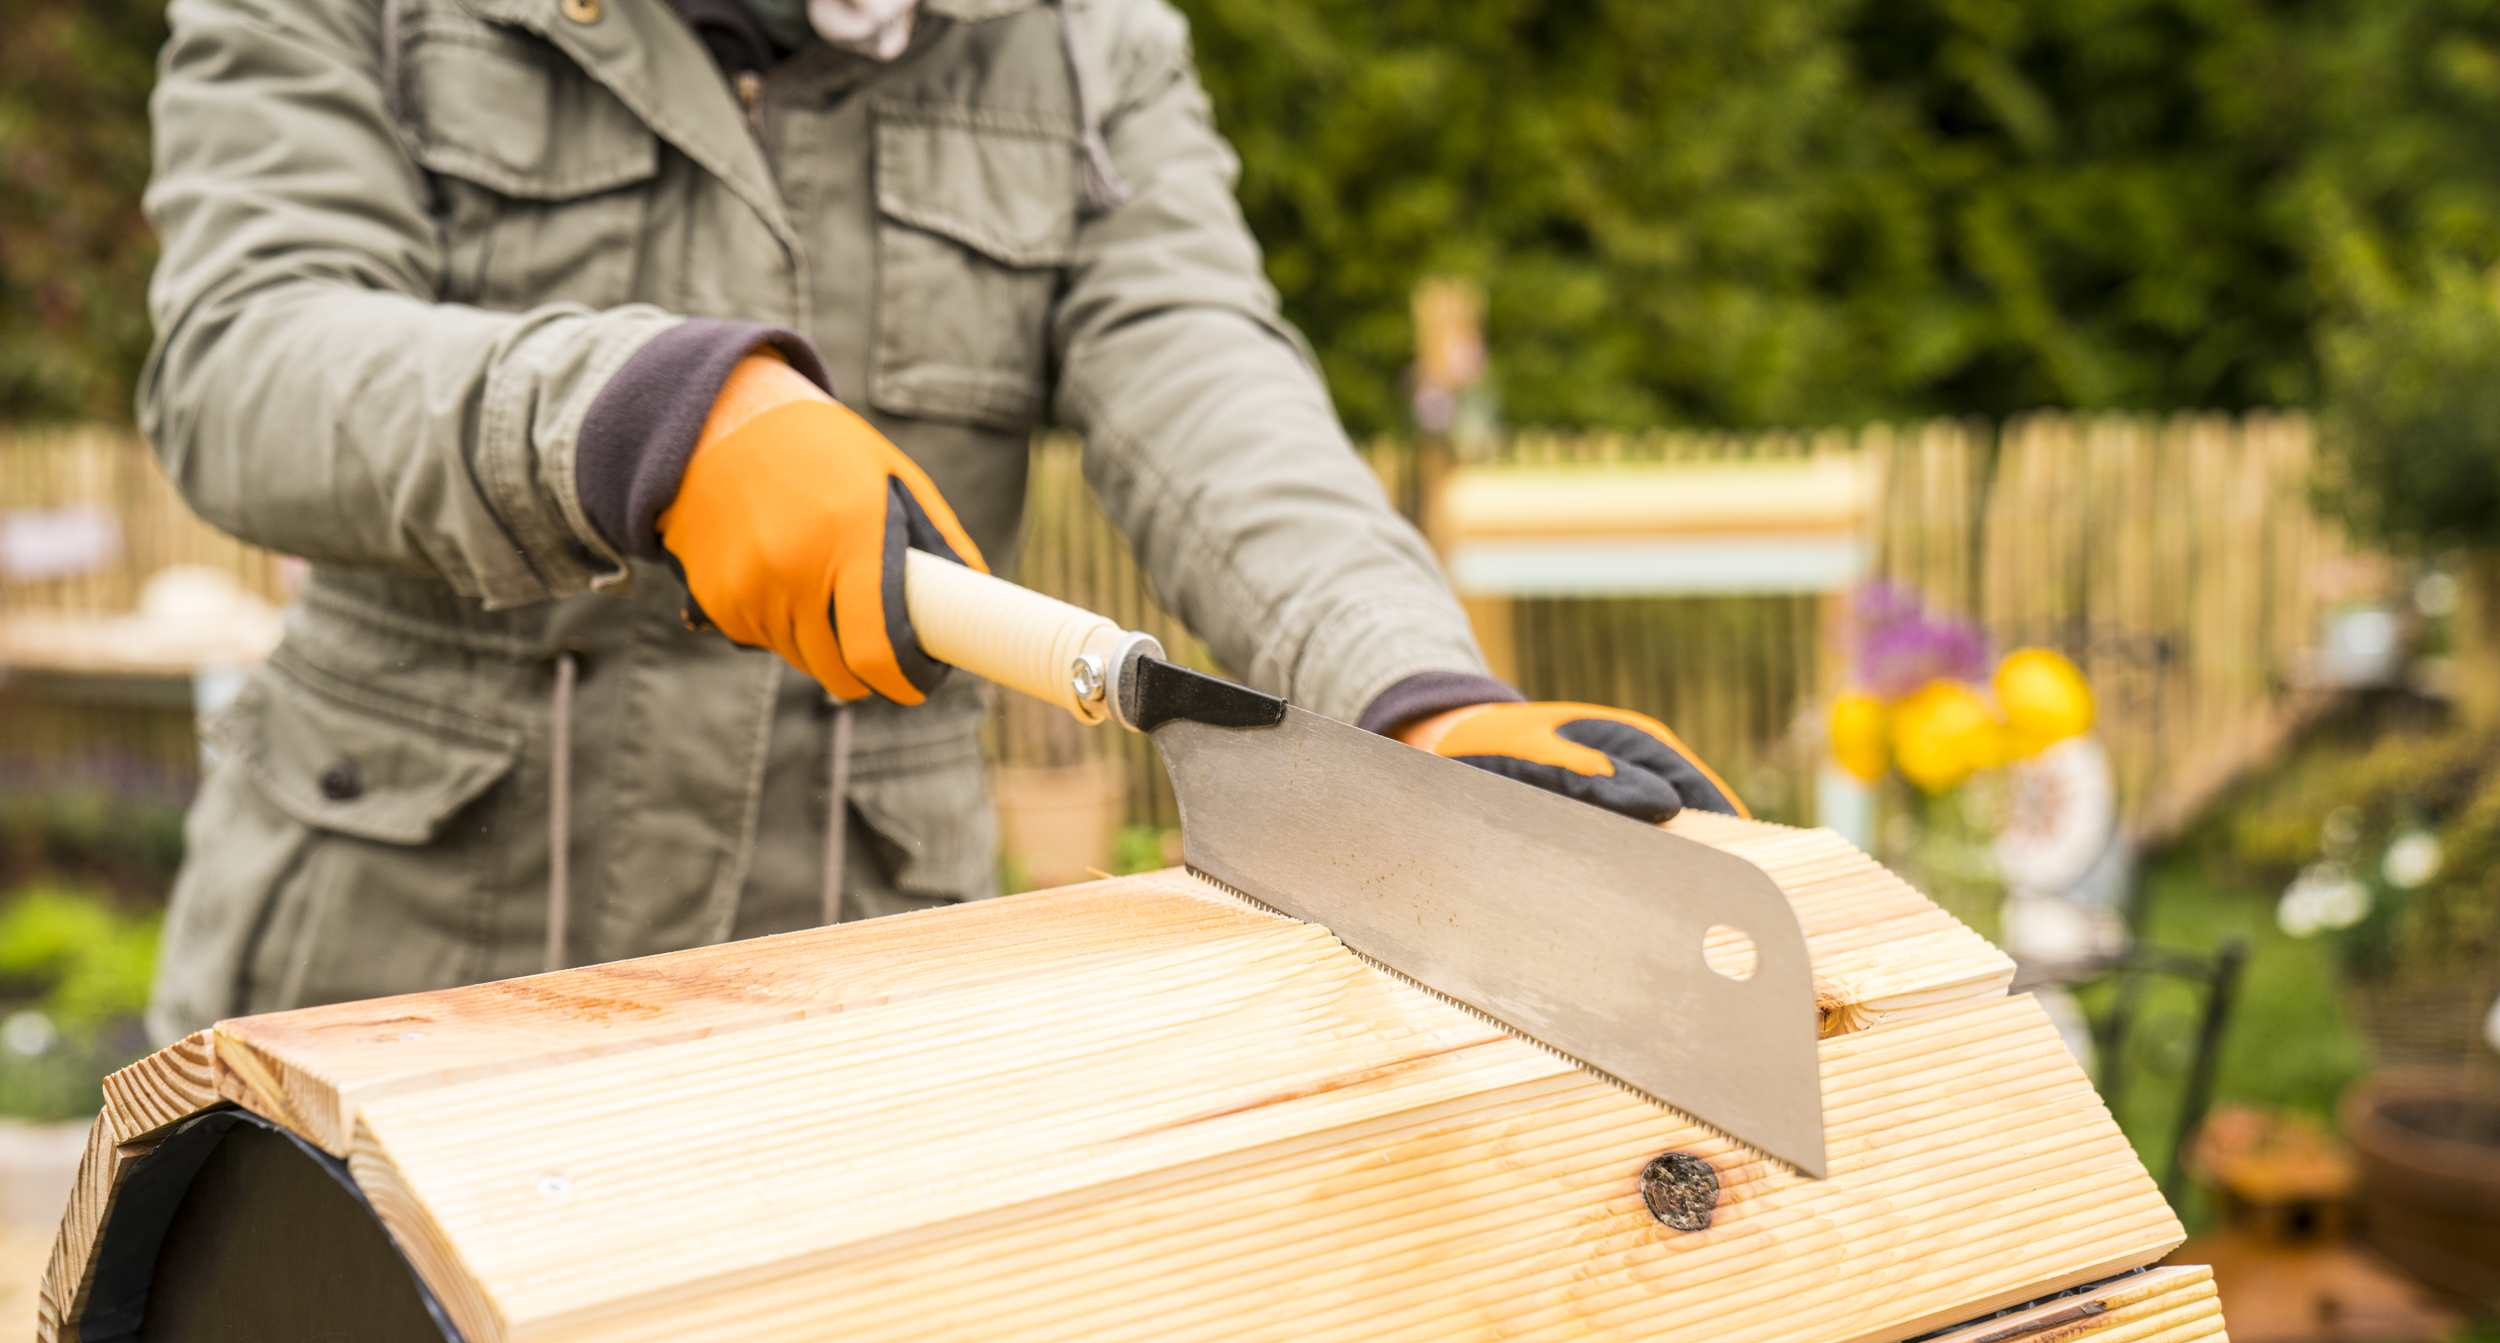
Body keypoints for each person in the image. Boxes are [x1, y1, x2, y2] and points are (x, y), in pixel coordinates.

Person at [139, 0, 1741, 1041]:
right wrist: (628, 414)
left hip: (860, 1001)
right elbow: (242, 359)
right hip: (401, 985)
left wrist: (1416, 695)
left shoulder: (1083, 46)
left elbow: (1206, 376)